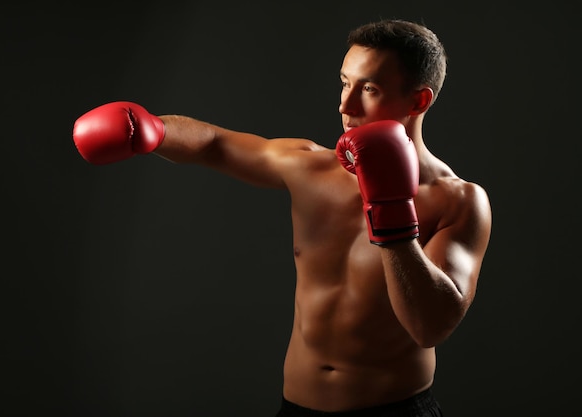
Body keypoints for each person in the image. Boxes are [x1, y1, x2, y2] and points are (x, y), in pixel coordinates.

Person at [72, 19, 492, 417]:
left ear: (419, 100)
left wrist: (393, 214)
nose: (345, 105)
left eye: (369, 88)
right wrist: (151, 129)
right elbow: (216, 144)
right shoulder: (311, 168)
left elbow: (430, 327)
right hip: (298, 408)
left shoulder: (460, 201)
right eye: (344, 83)